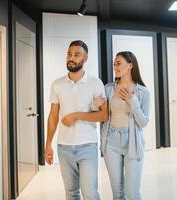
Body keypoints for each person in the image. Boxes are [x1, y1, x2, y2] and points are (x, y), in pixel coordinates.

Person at [45, 40, 107, 200]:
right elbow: (53, 116)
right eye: (69, 54)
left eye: (76, 55)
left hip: (87, 145)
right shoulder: (57, 84)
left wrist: (77, 115)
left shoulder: (95, 83)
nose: (71, 58)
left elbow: (104, 115)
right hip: (64, 147)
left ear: (85, 59)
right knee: (71, 193)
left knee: (90, 193)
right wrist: (48, 144)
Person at [93, 51, 150, 200]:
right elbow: (101, 113)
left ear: (130, 65)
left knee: (133, 193)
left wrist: (133, 102)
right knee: (117, 193)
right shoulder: (109, 88)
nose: (115, 67)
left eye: (118, 63)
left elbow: (143, 122)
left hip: (133, 143)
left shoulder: (143, 92)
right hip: (110, 141)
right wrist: (97, 105)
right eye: (114, 64)